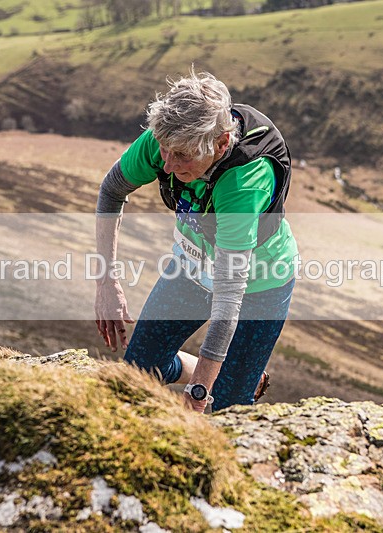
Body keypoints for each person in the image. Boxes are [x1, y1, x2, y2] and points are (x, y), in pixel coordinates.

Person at [94, 69, 298, 413]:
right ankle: (209, 372)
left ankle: (239, 380)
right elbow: (111, 190)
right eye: (165, 152)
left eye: (184, 157)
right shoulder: (170, 139)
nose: (169, 166)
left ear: (220, 144)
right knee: (138, 376)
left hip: (258, 286)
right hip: (191, 267)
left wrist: (200, 390)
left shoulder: (244, 180)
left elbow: (230, 294)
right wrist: (106, 282)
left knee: (226, 411)